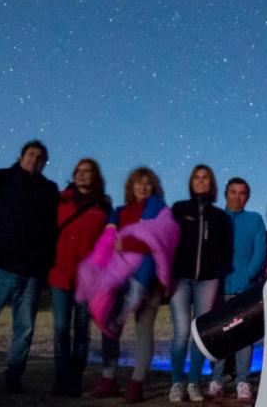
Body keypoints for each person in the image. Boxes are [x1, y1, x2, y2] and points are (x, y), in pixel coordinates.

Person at [0, 140, 59, 392]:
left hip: (31, 272)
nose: (35, 160)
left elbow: (53, 229)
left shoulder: (50, 190)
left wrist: (47, 265)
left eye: (40, 158)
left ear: (44, 163)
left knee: (24, 330)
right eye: (31, 154)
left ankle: (13, 376)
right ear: (21, 156)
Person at [88, 167, 172, 403]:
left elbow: (160, 242)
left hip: (149, 281)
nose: (143, 187)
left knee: (144, 332)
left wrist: (128, 243)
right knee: (110, 328)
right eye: (138, 183)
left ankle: (137, 384)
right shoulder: (119, 212)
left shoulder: (161, 212)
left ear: (153, 187)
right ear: (131, 187)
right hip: (119, 280)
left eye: (147, 183)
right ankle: (108, 379)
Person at [168, 165, 233, 403]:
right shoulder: (179, 209)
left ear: (211, 183)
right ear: (191, 181)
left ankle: (194, 382)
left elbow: (226, 249)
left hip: (208, 280)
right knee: (181, 332)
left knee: (199, 334)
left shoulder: (220, 217)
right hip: (180, 278)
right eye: (197, 177)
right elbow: (168, 241)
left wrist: (218, 269)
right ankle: (177, 382)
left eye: (205, 178)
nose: (201, 181)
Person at [48, 158, 110, 397]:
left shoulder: (103, 207)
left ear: (95, 176)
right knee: (61, 329)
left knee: (82, 330)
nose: (83, 175)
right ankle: (61, 378)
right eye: (80, 171)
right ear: (74, 175)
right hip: (60, 274)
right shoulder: (60, 199)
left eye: (88, 172)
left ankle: (75, 379)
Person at [207, 177, 267, 400]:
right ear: (226, 194)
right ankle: (217, 379)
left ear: (247, 197)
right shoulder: (217, 218)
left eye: (242, 193)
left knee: (243, 337)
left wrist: (249, 274)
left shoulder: (254, 220)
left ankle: (242, 380)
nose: (237, 197)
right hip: (218, 287)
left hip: (244, 288)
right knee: (219, 335)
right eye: (233, 192)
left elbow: (260, 250)